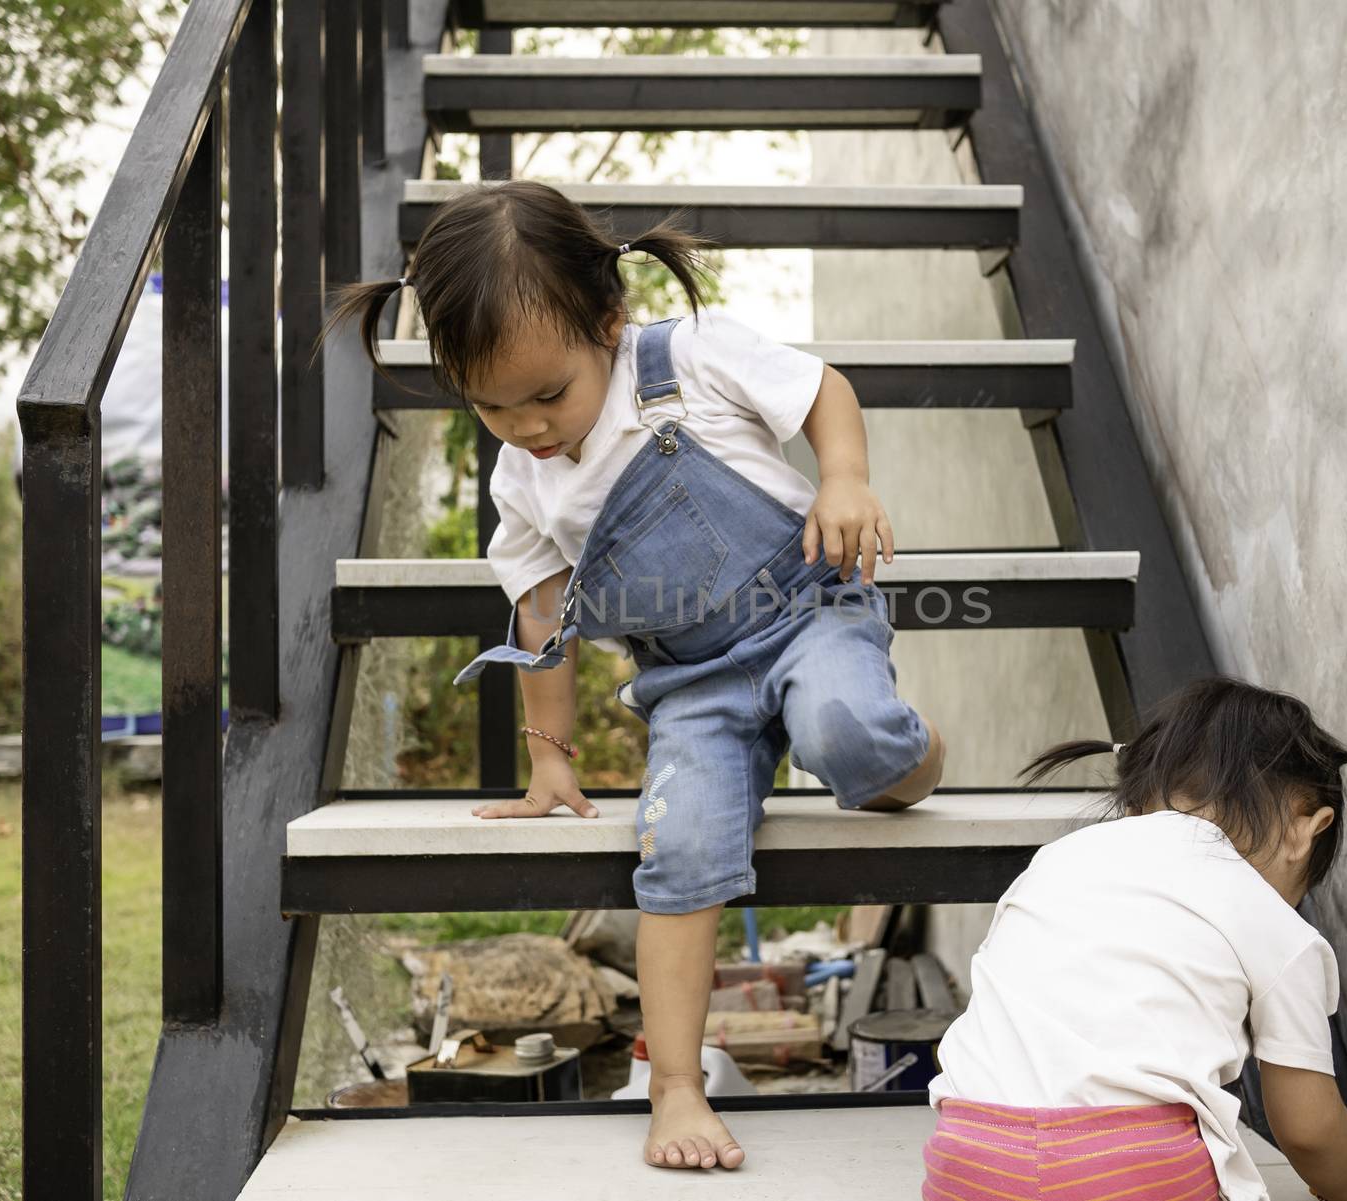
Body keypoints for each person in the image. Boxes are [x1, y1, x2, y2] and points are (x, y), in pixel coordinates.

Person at [328, 180, 946, 1171]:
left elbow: (821, 388)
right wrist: (548, 757)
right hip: (692, 685)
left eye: (546, 395)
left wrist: (842, 476)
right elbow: (541, 613)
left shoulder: (687, 358)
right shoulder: (524, 480)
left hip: (804, 612)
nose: (526, 425)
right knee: (677, 853)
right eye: (489, 404)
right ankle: (676, 1086)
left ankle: (910, 757)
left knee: (846, 733)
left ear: (609, 323)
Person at [924, 677, 1347, 1201]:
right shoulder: (1272, 922)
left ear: (1134, 803)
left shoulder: (1054, 863)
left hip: (968, 1155)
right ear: (1307, 829)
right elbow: (1308, 1128)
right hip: (1134, 1170)